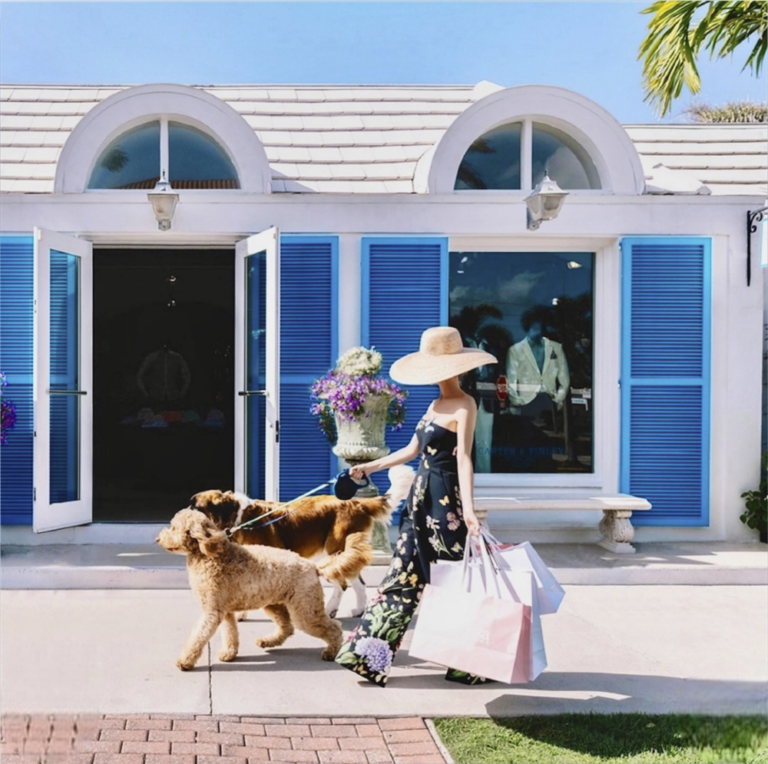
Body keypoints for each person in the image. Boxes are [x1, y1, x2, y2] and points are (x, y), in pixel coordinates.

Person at [334, 326, 497, 687]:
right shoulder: (435, 404)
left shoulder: (466, 404)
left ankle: (471, 664)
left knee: (458, 582)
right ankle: (366, 658)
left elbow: (465, 458)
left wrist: (469, 510)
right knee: (401, 577)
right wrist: (368, 467)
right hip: (419, 502)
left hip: (447, 506)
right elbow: (411, 451)